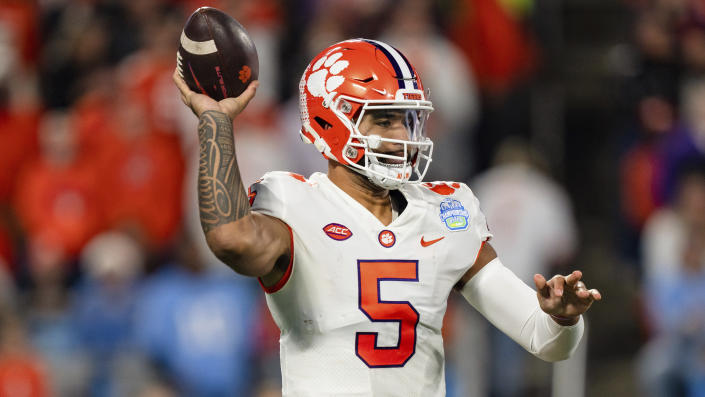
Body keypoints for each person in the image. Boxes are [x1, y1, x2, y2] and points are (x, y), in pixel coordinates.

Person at [173, 38, 601, 396]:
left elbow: (543, 338)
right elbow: (229, 239)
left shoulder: (446, 210)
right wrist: (215, 122)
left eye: (409, 120)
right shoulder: (293, 202)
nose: (402, 136)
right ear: (329, 120)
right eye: (384, 120)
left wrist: (561, 316)